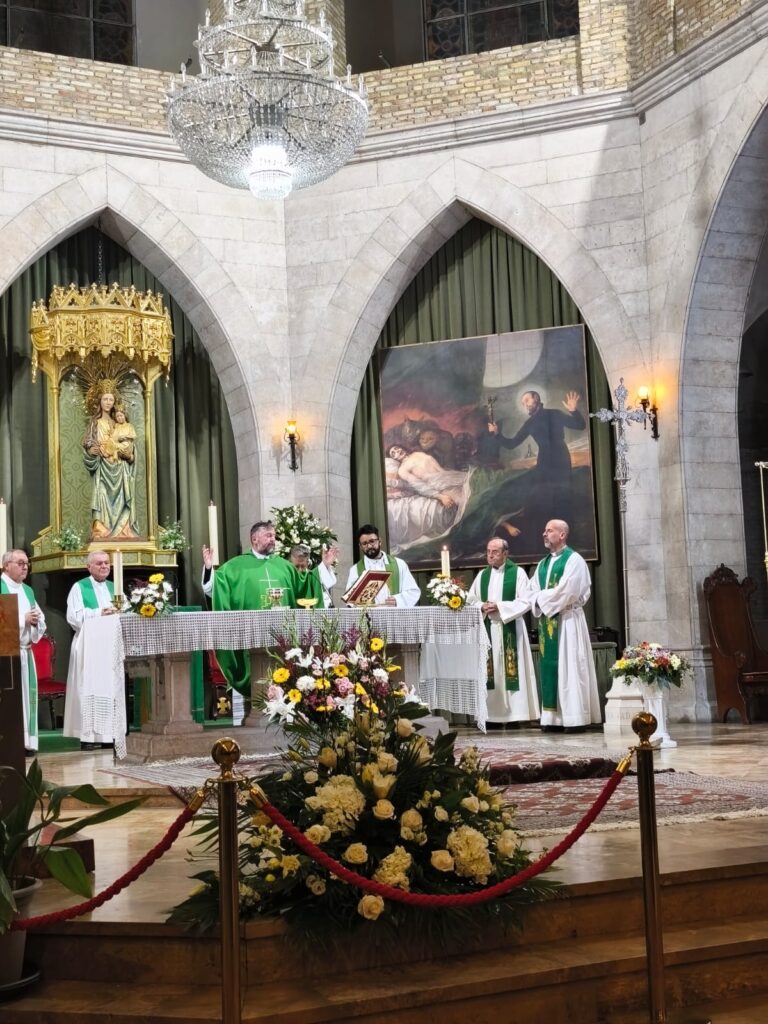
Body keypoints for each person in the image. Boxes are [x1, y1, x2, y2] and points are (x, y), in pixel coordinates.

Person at [211, 521, 338, 693]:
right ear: (254, 539)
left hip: (282, 635)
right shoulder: (234, 567)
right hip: (252, 635)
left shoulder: (284, 566)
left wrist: (324, 566)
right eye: (268, 536)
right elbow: (217, 587)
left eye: (274, 536)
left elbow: (305, 585)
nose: (273, 539)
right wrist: (209, 569)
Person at [528, 519, 601, 730]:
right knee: (552, 668)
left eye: (549, 530)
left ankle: (574, 718)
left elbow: (567, 591)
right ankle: (553, 719)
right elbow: (530, 592)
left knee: (570, 668)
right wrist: (540, 598)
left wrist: (541, 598)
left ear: (562, 535)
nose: (544, 534)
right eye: (544, 530)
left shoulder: (574, 560)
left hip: (568, 621)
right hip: (549, 622)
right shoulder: (543, 564)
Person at [467, 537, 540, 725]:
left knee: (511, 671)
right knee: (491, 672)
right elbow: (470, 600)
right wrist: (482, 606)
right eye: (488, 551)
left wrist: (499, 607)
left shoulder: (518, 574)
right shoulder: (482, 575)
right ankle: (491, 715)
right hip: (489, 628)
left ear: (506, 553)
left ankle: (516, 715)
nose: (490, 555)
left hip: (510, 627)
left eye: (495, 552)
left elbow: (526, 600)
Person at [62, 550, 118, 751]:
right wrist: (98, 613)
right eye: (99, 563)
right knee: (87, 688)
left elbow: (125, 611)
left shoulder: (115, 587)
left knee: (110, 688)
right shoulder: (79, 587)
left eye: (107, 563)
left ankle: (108, 735)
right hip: (88, 644)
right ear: (89, 567)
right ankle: (87, 736)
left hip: (109, 645)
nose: (104, 566)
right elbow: (73, 617)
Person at [1, 549, 46, 753]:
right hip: (5, 654)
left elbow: (40, 618)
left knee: (27, 698)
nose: (25, 567)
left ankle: (26, 742)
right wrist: (23, 620)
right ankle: (10, 741)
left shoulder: (28, 590)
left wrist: (36, 620)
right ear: (6, 565)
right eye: (20, 563)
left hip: (25, 653)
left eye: (26, 563)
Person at [82, 384, 139, 540]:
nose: (108, 402)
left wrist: (129, 455)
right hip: (102, 468)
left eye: (111, 400)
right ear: (99, 401)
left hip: (120, 468)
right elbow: (87, 444)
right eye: (105, 399)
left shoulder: (120, 422)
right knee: (101, 496)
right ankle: (101, 530)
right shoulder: (95, 422)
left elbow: (131, 447)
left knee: (122, 498)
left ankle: (123, 531)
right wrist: (91, 451)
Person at [501, 390, 586, 485]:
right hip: (544, 460)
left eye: (527, 400)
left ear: (536, 399)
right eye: (523, 403)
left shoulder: (555, 413)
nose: (525, 404)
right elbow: (512, 444)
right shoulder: (530, 423)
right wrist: (497, 435)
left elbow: (580, 425)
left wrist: (573, 411)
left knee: (563, 491)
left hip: (561, 458)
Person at [344, 524, 420, 607]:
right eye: (364, 543)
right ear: (360, 546)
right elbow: (350, 602)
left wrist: (397, 600)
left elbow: (413, 592)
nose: (369, 546)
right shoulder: (355, 570)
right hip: (369, 618)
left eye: (372, 541)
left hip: (394, 616)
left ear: (380, 541)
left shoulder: (399, 564)